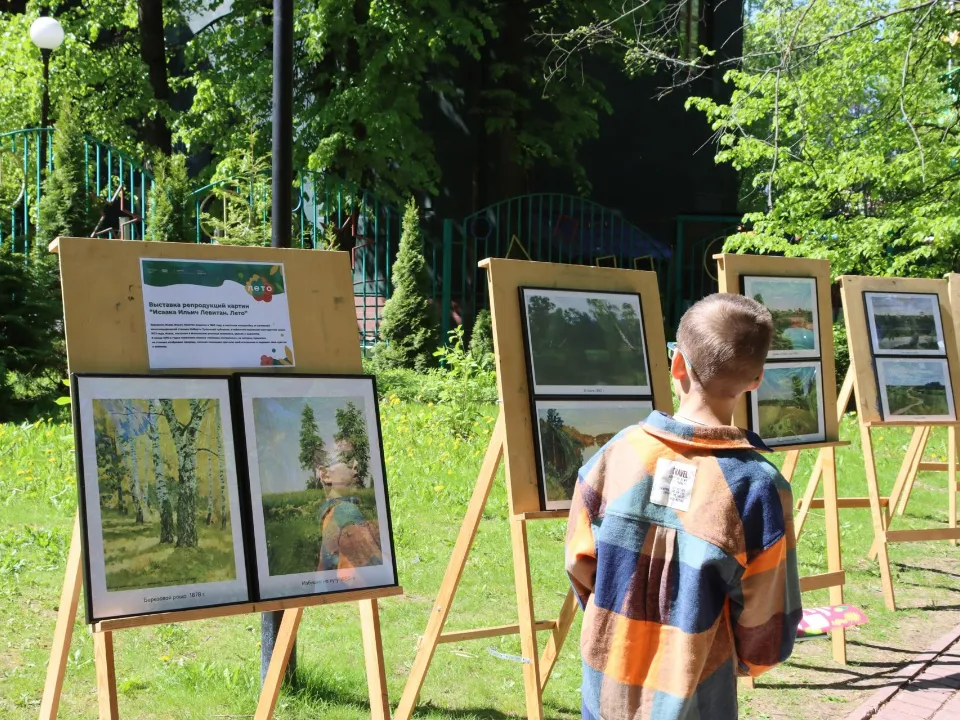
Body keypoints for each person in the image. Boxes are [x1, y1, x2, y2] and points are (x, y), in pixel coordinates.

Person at [565, 293, 802, 720]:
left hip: (606, 690)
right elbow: (766, 621)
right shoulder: (759, 487)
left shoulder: (615, 454)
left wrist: (610, 622)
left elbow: (580, 564)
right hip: (698, 697)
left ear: (677, 364)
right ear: (756, 379)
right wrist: (745, 659)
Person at [316, 441, 382, 573]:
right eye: (348, 463)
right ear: (326, 475)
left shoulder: (331, 513)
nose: (356, 468)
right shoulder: (346, 511)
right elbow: (376, 571)